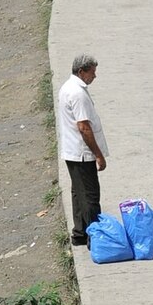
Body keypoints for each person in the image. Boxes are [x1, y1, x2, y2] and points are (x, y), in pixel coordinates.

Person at [57, 53, 108, 246]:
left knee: (78, 194)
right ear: (81, 71)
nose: (94, 76)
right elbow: (84, 127)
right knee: (90, 196)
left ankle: (79, 233)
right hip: (82, 153)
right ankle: (96, 238)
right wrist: (98, 155)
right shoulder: (77, 93)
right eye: (92, 72)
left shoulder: (67, 88)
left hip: (72, 152)